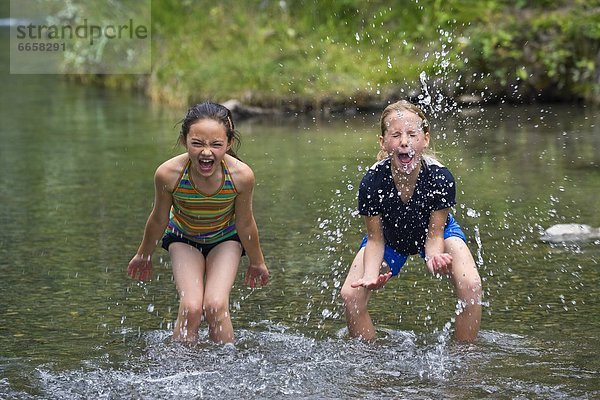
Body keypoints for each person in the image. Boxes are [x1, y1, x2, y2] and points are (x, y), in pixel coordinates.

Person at [127, 102, 269, 343]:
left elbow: (245, 223)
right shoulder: (168, 174)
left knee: (215, 304)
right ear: (184, 141)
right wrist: (144, 254)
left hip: (225, 238)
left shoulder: (240, 176)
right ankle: (180, 369)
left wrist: (257, 261)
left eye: (216, 145)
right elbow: (159, 218)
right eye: (197, 143)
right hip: (184, 238)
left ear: (229, 143)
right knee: (192, 307)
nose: (206, 152)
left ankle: (226, 369)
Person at [340, 100, 482, 342]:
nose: (404, 142)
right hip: (389, 239)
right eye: (395, 135)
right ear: (383, 143)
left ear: (425, 139)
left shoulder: (440, 177)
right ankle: (368, 360)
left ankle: (464, 356)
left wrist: (434, 257)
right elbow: (375, 240)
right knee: (350, 296)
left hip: (438, 235)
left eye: (411, 134)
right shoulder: (372, 182)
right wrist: (372, 275)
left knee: (472, 286)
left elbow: (435, 234)